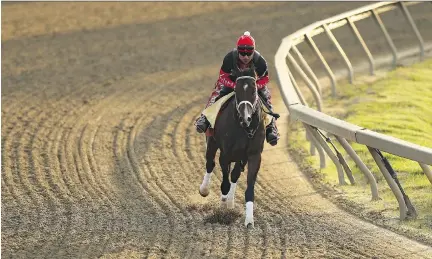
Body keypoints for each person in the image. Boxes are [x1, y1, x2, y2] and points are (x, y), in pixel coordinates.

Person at [195, 31, 279, 146]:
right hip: (232, 83)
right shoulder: (230, 58)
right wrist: (235, 86)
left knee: (266, 99)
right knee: (217, 94)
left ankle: (271, 128)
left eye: (249, 53)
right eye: (242, 53)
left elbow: (265, 79)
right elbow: (222, 76)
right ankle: (205, 118)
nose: (245, 56)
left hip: (253, 85)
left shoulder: (260, 61)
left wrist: (255, 87)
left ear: (253, 51)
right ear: (237, 50)